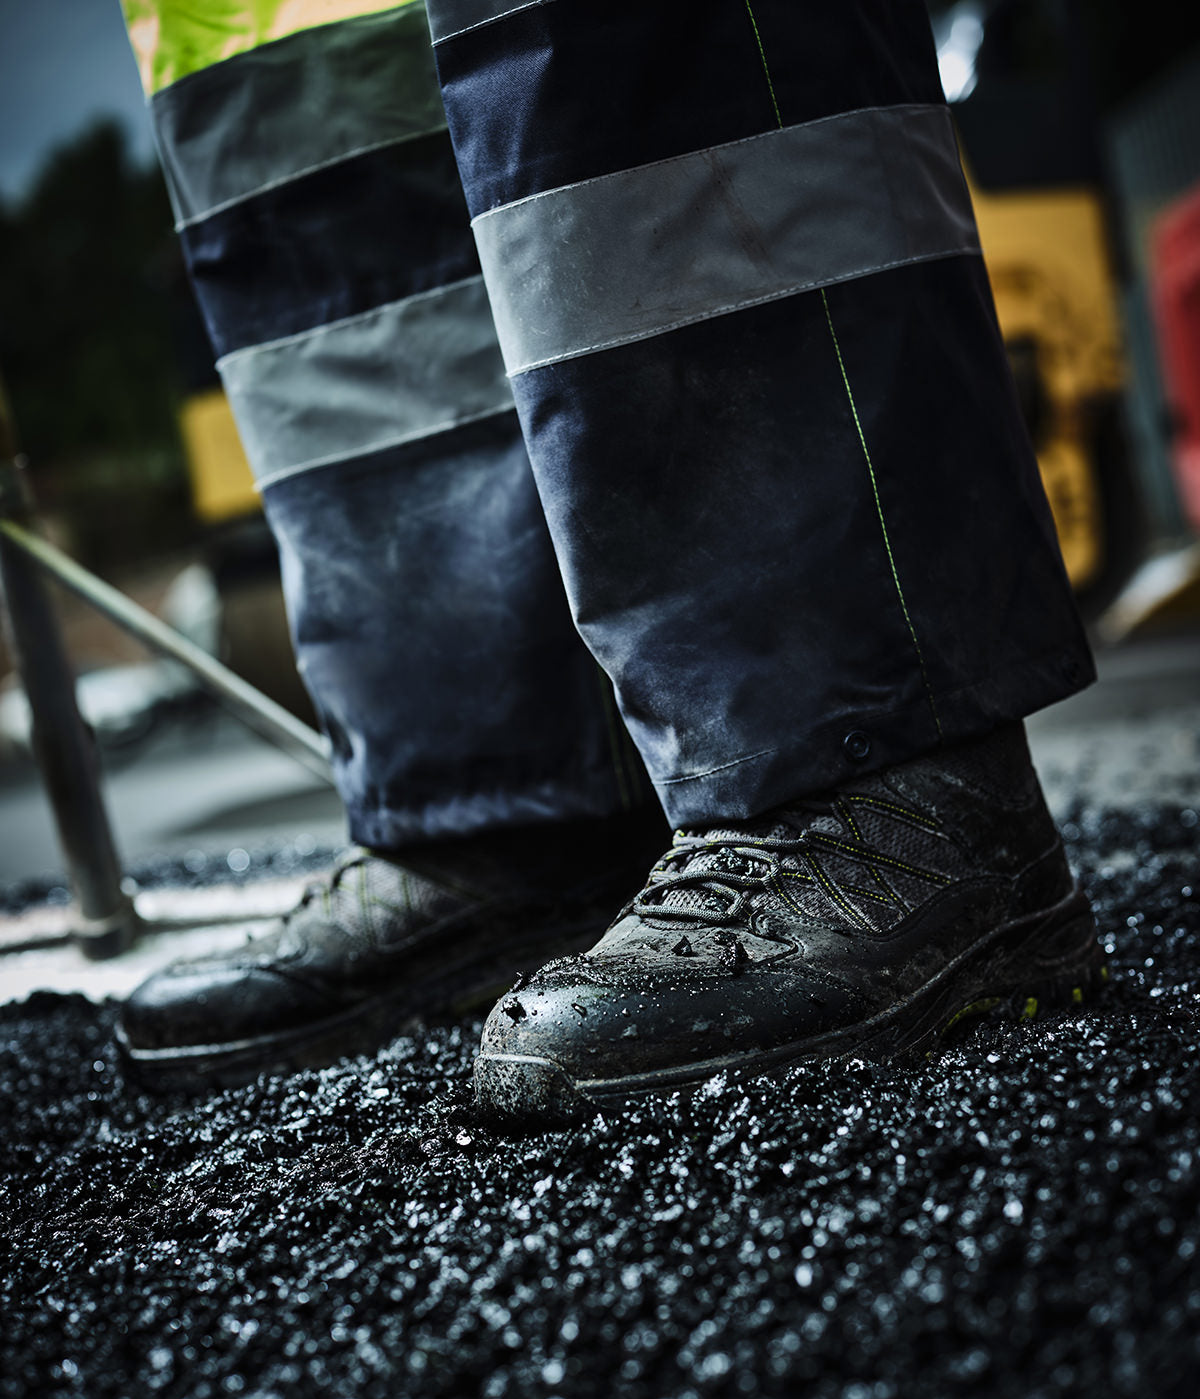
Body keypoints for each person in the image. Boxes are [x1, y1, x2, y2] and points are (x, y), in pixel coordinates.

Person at [116, 0, 1101, 1122]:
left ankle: (875, 756)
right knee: (306, 88)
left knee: (623, 61)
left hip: (872, 685)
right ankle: (510, 806)